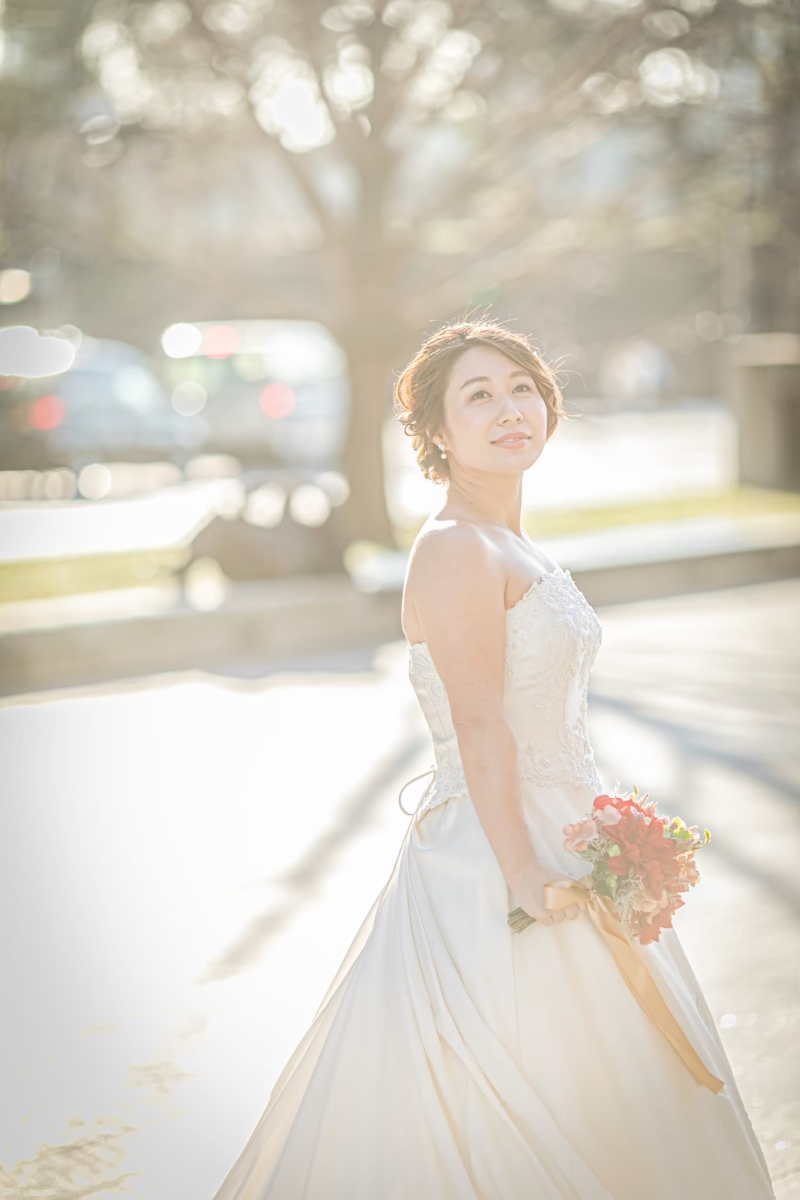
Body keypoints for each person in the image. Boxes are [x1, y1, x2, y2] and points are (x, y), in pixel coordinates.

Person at [213, 319, 775, 1200]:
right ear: (438, 433)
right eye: (479, 396)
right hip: (497, 852)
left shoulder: (511, 542)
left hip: (568, 825)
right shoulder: (453, 548)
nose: (511, 409)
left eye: (523, 389)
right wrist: (523, 872)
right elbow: (480, 724)